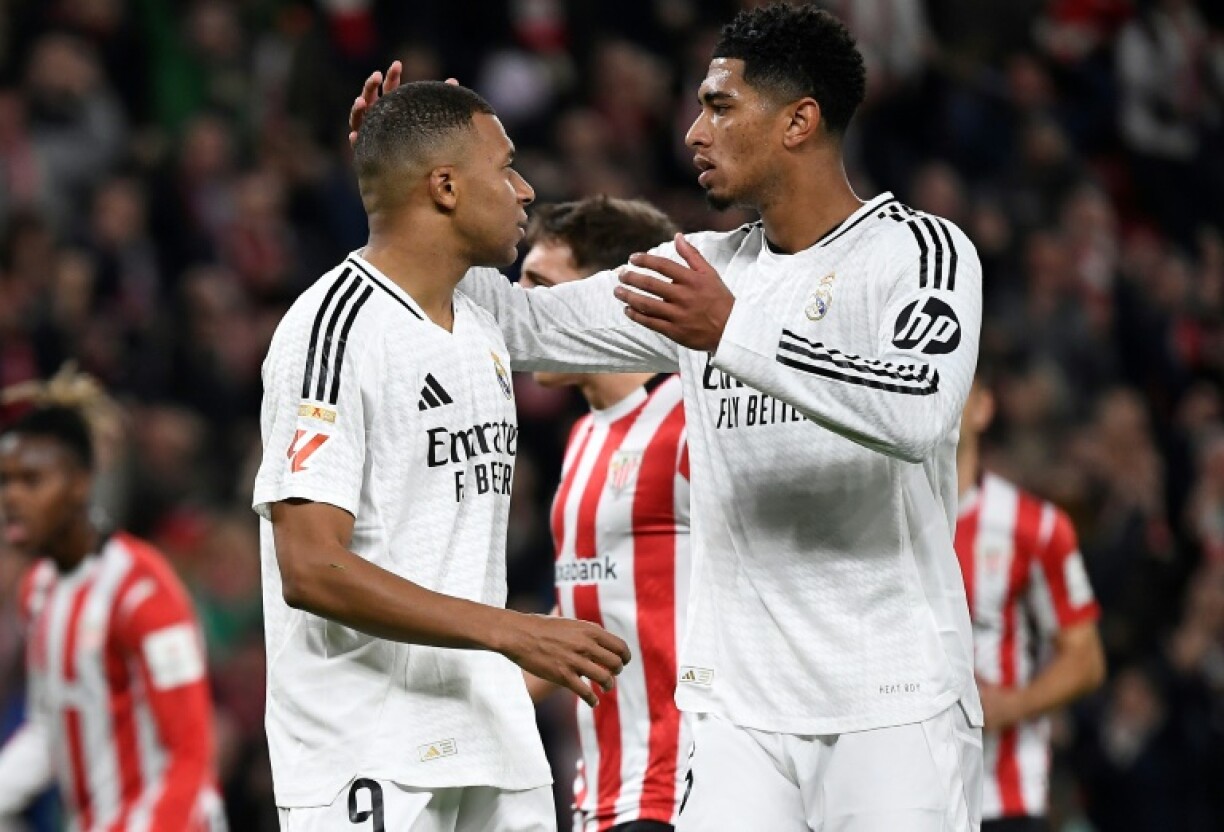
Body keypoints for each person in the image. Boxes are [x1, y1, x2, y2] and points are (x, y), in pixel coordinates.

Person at [352, 4, 984, 830]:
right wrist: (404, 198)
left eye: (720, 107)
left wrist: (735, 331)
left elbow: (918, 410)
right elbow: (520, 322)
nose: (694, 132)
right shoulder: (701, 269)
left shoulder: (919, 252)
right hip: (737, 717)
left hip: (892, 702)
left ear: (799, 122)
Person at [254, 81, 631, 832]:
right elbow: (309, 567)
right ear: (447, 186)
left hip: (491, 739)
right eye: (507, 166)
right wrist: (510, 630)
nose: (525, 189)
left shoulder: (483, 314)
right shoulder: (330, 332)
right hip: (370, 749)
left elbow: (622, 319)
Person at [519, 197, 690, 832]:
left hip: (684, 790)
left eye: (541, 286)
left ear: (610, 297)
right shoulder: (583, 437)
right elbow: (594, 606)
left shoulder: (689, 420)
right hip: (604, 790)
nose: (520, 306)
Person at [0, 372, 226, 830]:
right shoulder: (39, 589)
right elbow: (51, 727)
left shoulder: (142, 591)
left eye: (32, 480)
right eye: (5, 480)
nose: (12, 498)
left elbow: (190, 755)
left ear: (80, 484)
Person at [955, 373, 1105, 831]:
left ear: (983, 407)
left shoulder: (1034, 526)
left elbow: (1087, 659)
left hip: (1005, 799)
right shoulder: (876, 523)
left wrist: (1010, 706)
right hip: (902, 797)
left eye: (954, 389)